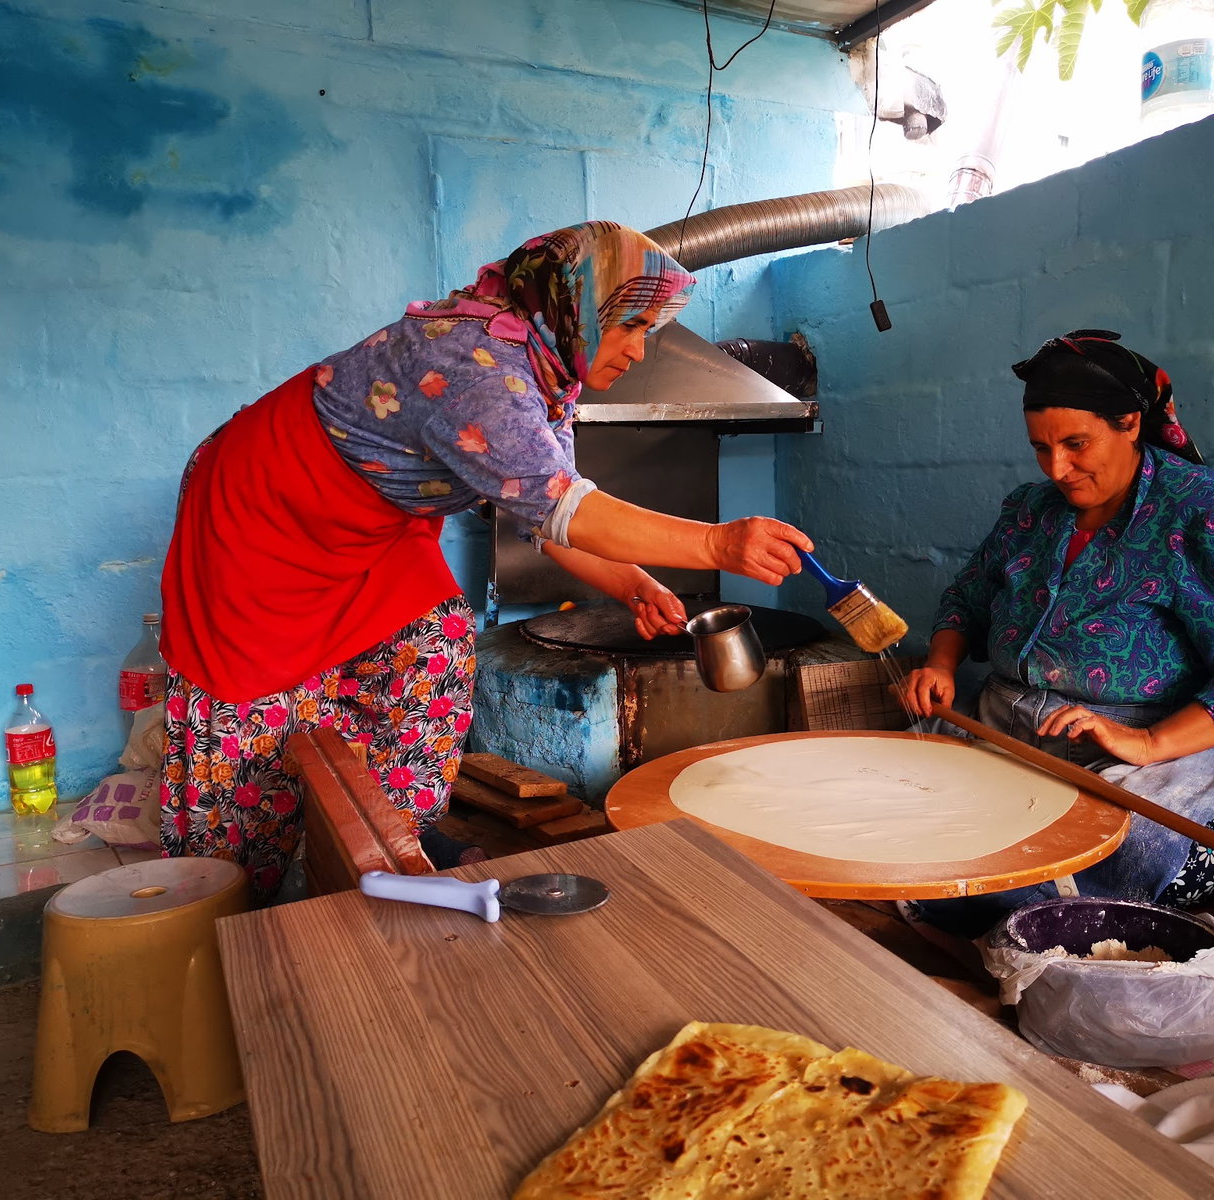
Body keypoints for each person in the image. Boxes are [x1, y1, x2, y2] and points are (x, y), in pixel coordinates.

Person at [159, 221, 812, 900]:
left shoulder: (546, 367)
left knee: (432, 641)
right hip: (262, 512)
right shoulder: (479, 369)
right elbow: (568, 507)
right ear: (578, 304)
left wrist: (628, 581)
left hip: (369, 524)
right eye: (633, 325)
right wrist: (716, 543)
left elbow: (546, 511)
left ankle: (400, 836)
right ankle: (234, 896)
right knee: (253, 722)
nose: (641, 351)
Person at [902, 329, 1214, 938]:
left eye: (1076, 444)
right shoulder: (1032, 509)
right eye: (1041, 448)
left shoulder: (1202, 513)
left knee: (1112, 851)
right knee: (897, 790)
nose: (1058, 468)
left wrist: (1148, 742)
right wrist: (941, 664)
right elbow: (970, 596)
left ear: (1130, 422)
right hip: (1010, 724)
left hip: (1148, 747)